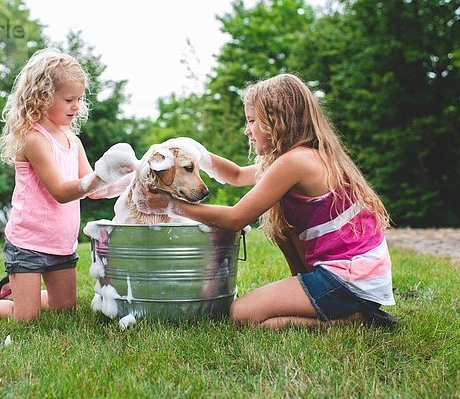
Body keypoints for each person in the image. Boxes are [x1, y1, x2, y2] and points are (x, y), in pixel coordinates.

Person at [136, 73, 398, 329]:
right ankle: (325, 299)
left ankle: (355, 318)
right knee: (283, 226)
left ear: (276, 120)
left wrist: (171, 205)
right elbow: (237, 175)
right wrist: (192, 150)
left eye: (252, 121)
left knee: (243, 314)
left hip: (349, 279)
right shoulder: (300, 157)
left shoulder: (296, 162)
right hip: (357, 273)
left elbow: (236, 218)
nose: (247, 130)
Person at [0, 48, 137, 321]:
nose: (76, 106)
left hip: (61, 244)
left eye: (79, 99)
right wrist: (102, 174)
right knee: (26, 318)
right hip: (28, 243)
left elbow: (94, 191)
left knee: (64, 307)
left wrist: (131, 178)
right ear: (42, 97)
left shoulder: (72, 140)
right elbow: (61, 192)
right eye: (68, 99)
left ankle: (14, 292)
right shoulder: (34, 139)